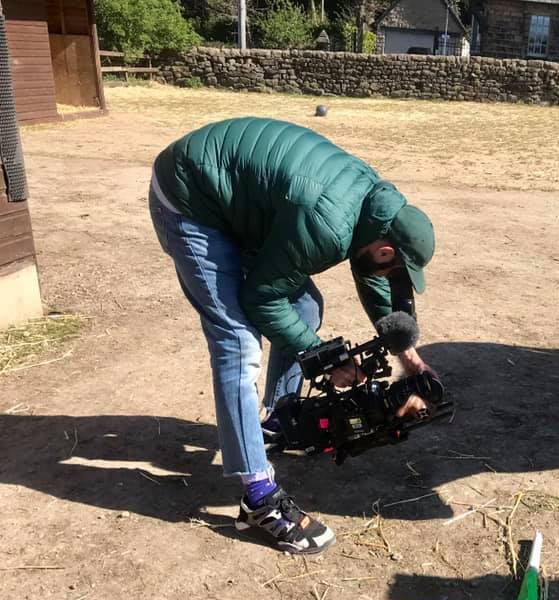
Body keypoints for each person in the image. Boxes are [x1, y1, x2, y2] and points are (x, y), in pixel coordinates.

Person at [148, 117, 437, 554]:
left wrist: (409, 357)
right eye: (397, 268)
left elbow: (373, 278)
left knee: (305, 306)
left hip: (233, 193)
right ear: (385, 249)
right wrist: (322, 356)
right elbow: (261, 297)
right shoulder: (329, 225)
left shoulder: (376, 208)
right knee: (238, 342)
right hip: (190, 198)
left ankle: (275, 421)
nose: (393, 276)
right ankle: (258, 499)